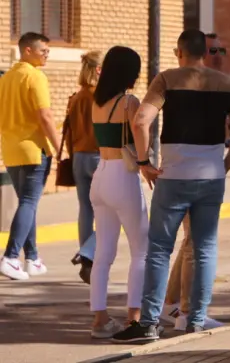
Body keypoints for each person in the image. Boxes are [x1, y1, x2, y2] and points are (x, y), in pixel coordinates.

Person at [112, 30, 230, 344]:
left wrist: (145, 161)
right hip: (211, 176)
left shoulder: (166, 80)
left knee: (160, 249)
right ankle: (195, 321)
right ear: (205, 52)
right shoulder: (227, 83)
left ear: (179, 52)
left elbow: (140, 121)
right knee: (204, 248)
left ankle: (148, 323)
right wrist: (225, 164)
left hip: (173, 176)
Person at [87, 46, 151, 339]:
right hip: (123, 176)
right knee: (141, 251)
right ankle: (134, 318)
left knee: (103, 254)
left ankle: (100, 319)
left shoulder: (96, 101)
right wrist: (146, 162)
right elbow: (139, 129)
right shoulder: (129, 101)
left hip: (100, 173)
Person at [0, 32, 58, 280]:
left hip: (11, 150)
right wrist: (59, 147)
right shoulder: (35, 77)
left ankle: (32, 258)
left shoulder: (6, 78)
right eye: (43, 50)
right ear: (28, 51)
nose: (47, 55)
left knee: (27, 202)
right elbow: (45, 116)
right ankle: (11, 257)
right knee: (29, 203)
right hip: (34, 149)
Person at [65, 50, 103, 283]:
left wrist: (73, 155)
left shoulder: (76, 97)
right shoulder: (101, 96)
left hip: (79, 157)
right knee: (112, 212)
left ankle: (88, 260)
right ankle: (88, 253)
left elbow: (68, 133)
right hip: (100, 157)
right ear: (99, 70)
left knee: (86, 210)